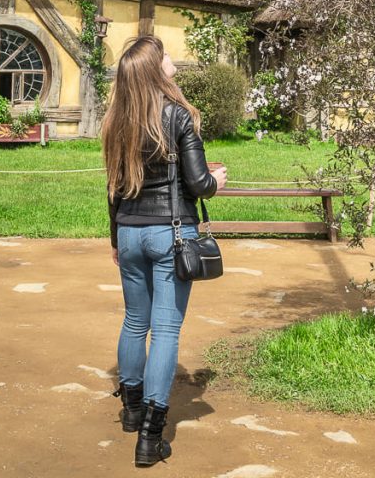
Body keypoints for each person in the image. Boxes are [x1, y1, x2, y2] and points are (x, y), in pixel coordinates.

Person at [102, 34, 227, 468]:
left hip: (130, 232)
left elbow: (114, 187)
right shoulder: (178, 116)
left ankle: (132, 410)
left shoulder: (116, 120)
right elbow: (197, 184)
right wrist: (217, 181)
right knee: (166, 330)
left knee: (135, 321)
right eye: (167, 55)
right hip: (171, 234)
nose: (173, 60)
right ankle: (151, 438)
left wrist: (117, 240)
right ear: (157, 68)